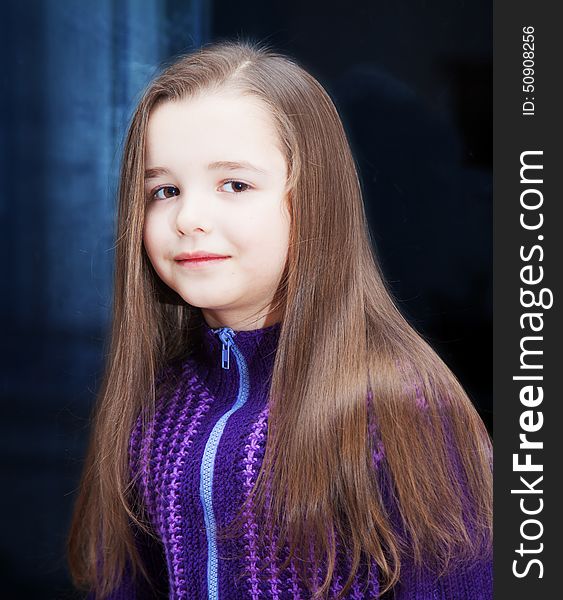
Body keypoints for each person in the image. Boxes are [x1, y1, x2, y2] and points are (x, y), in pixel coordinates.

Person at [66, 39, 493, 599]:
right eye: (164, 190)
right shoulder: (157, 400)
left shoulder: (401, 405)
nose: (189, 217)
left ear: (312, 199)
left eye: (235, 185)